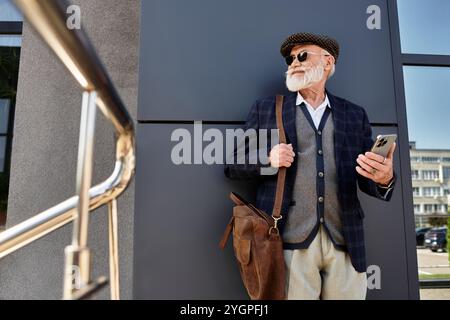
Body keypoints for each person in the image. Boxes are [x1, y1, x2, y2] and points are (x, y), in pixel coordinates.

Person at [224, 32, 396, 300]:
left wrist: (383, 178)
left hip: (346, 243)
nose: (294, 62)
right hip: (290, 243)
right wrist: (268, 159)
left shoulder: (354, 114)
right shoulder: (267, 109)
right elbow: (234, 164)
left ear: (327, 62)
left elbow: (366, 176)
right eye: (291, 59)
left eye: (302, 55)